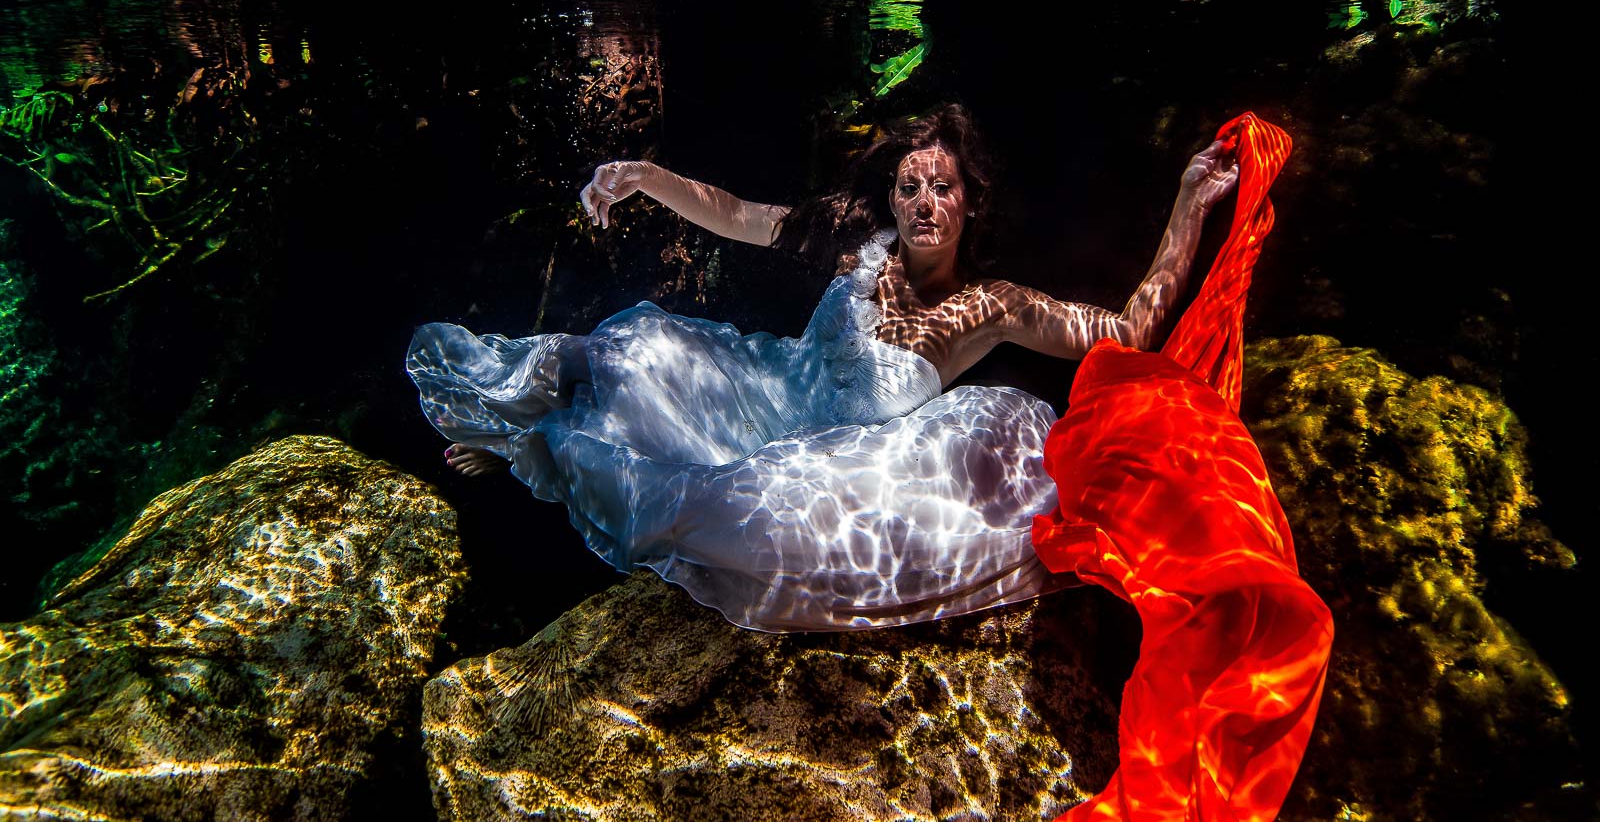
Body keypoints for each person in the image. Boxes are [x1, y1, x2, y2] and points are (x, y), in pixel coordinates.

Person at [407, 103, 1238, 631]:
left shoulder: (994, 306)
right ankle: (526, 438)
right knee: (639, 350)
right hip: (761, 390)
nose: (923, 203)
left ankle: (535, 448)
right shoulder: (855, 238)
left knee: (726, 505)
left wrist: (1187, 209)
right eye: (910, 186)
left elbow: (1127, 330)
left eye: (942, 188)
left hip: (835, 466)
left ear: (970, 201)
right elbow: (738, 217)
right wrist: (647, 178)